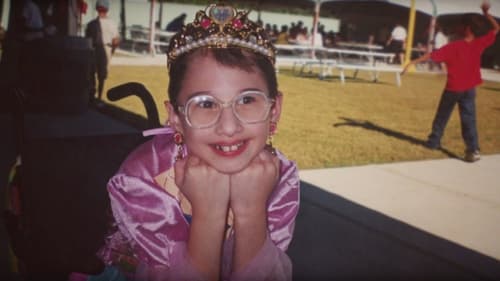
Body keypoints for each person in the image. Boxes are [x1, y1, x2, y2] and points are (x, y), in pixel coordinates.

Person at [69, 3, 300, 281]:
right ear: (176, 118)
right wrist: (209, 214)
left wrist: (251, 213)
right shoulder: (142, 179)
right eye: (204, 103)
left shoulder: (281, 175)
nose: (228, 127)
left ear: (274, 110)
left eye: (247, 99)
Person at [402, 1, 499, 163]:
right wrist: (486, 14)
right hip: (469, 89)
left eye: (461, 25)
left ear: (467, 28)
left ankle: (433, 142)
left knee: (442, 116)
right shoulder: (479, 43)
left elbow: (431, 55)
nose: (458, 27)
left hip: (453, 88)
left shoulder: (454, 47)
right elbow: (496, 29)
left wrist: (412, 62)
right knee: (469, 119)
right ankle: (473, 149)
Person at [85, 0, 120, 104]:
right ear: (107, 9)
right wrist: (112, 50)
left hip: (98, 48)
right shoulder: (110, 23)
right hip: (104, 49)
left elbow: (87, 38)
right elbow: (116, 40)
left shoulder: (91, 23)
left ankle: (94, 95)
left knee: (95, 74)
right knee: (99, 75)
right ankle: (97, 96)